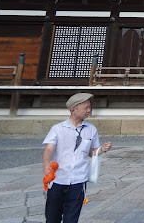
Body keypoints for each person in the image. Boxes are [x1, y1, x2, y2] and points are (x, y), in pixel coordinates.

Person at [43, 93, 112, 223]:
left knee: (71, 219)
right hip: (58, 180)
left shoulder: (91, 129)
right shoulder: (58, 129)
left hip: (78, 181)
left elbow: (92, 152)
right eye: (86, 108)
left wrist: (102, 149)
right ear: (73, 110)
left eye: (89, 107)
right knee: (52, 218)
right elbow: (49, 149)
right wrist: (46, 163)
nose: (89, 111)